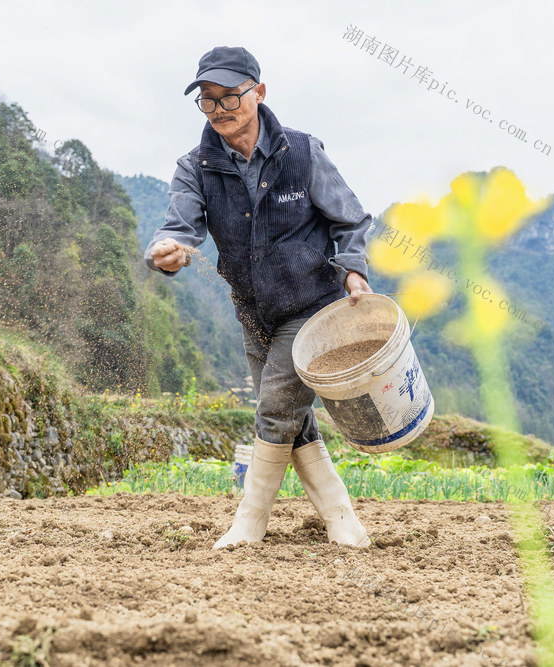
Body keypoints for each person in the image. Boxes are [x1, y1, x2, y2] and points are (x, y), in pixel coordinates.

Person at [144, 46, 373, 549]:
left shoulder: (302, 151)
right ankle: (341, 517)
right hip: (253, 312)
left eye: (230, 96)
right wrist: (169, 250)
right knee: (291, 416)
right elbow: (179, 228)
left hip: (314, 305)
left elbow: (351, 220)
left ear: (259, 92)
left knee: (273, 409)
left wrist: (353, 270)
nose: (221, 108)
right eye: (208, 100)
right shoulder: (196, 167)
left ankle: (250, 520)